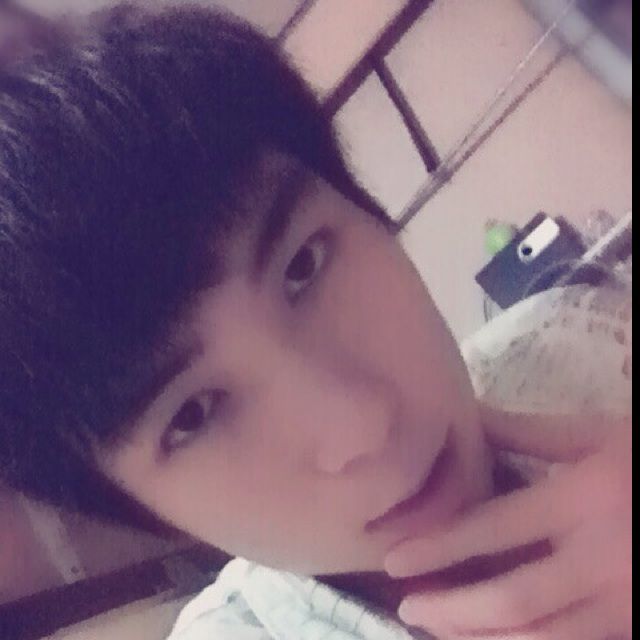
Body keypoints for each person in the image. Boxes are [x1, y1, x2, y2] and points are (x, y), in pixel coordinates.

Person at [0, 4, 631, 638]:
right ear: (145, 515)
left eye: (303, 265)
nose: (362, 427)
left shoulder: (587, 339)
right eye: (193, 414)